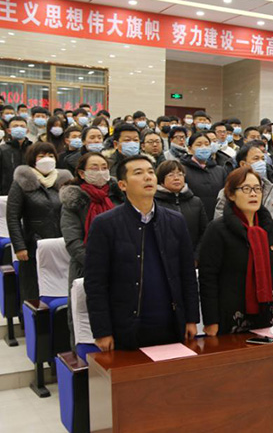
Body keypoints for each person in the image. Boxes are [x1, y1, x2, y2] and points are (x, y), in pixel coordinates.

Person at [84, 155, 199, 351]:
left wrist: (191, 318)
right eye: (138, 173)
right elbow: (95, 283)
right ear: (122, 185)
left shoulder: (175, 221)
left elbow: (187, 274)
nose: (148, 177)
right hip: (127, 326)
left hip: (171, 322)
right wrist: (102, 331)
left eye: (151, 172)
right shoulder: (105, 224)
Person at [199, 167, 273, 335]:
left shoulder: (270, 227)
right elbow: (208, 278)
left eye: (257, 189)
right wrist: (211, 321)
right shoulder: (218, 230)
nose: (253, 194)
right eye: (246, 189)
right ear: (231, 194)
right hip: (233, 314)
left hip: (272, 312)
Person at [60, 152, 125, 348]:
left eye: (104, 167)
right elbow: (73, 242)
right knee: (86, 323)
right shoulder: (74, 201)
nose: (101, 172)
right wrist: (99, 266)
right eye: (94, 168)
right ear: (82, 173)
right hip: (86, 268)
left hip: (122, 266)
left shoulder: (119, 196)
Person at [7, 142, 73, 303]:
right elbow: (13, 217)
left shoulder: (65, 180)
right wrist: (19, 246)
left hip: (63, 241)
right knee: (33, 286)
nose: (47, 159)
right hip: (33, 243)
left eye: (50, 156)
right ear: (33, 159)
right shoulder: (22, 181)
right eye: (41, 156)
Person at [214, 143, 273, 226]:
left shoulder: (270, 188)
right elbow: (220, 222)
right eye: (256, 159)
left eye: (263, 159)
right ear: (243, 164)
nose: (261, 163)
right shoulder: (230, 190)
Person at [154, 161, 208, 256]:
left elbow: (205, 231)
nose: (176, 178)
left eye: (180, 174)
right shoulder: (153, 203)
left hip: (191, 256)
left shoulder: (196, 202)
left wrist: (197, 256)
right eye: (171, 175)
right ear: (161, 180)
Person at [180, 133, 228, 221]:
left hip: (216, 217)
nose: (204, 148)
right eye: (199, 145)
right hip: (192, 218)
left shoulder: (220, 170)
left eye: (207, 144)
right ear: (190, 149)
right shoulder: (182, 170)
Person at [0, 115, 34, 194]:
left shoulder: (33, 149)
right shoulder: (2, 150)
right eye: (15, 126)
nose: (19, 128)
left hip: (30, 193)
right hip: (6, 192)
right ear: (9, 131)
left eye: (22, 126)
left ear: (27, 131)